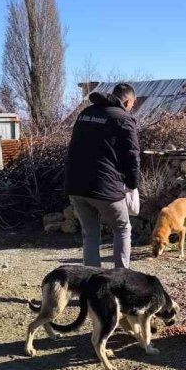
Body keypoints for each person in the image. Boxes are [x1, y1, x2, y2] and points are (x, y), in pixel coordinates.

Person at [65, 82, 140, 269]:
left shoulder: (85, 114)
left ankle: (92, 284)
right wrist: (132, 184)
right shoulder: (123, 118)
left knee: (90, 234)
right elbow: (132, 156)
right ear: (128, 100)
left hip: (75, 185)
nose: (132, 108)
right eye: (133, 104)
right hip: (104, 187)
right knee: (122, 228)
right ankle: (121, 280)